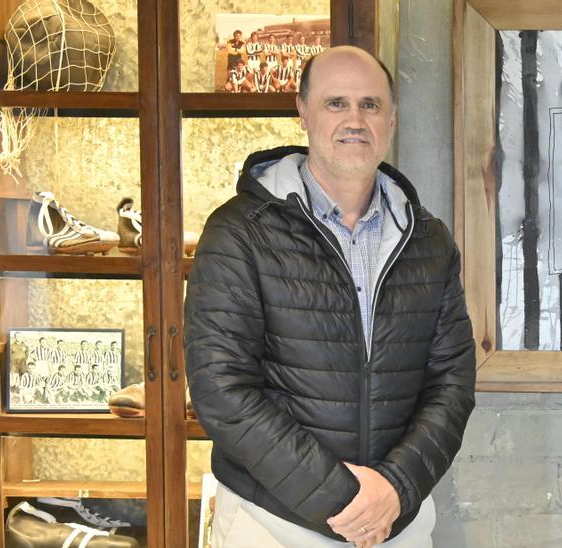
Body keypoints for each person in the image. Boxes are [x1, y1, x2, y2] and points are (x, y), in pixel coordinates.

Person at [185, 45, 475, 548]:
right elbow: (221, 389)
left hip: (395, 520)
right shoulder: (239, 232)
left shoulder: (428, 240)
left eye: (371, 104)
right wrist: (342, 499)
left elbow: (451, 383)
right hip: (271, 521)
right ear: (302, 112)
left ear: (392, 118)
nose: (355, 119)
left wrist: (394, 489)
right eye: (335, 103)